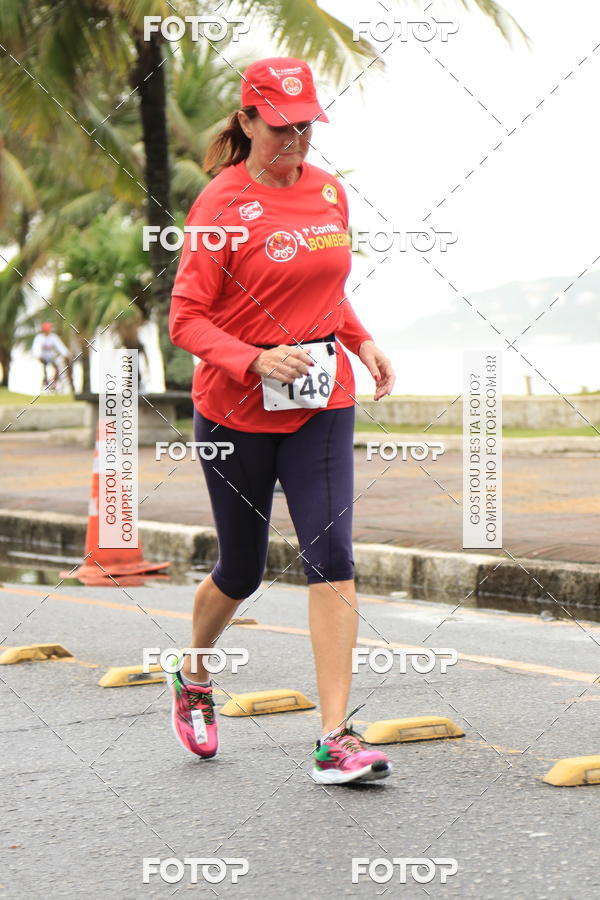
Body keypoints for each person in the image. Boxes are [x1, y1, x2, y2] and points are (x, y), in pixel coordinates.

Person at [169, 57, 396, 784]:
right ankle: (195, 675)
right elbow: (185, 319)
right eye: (280, 130)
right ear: (245, 122)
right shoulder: (219, 205)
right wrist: (251, 360)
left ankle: (335, 737)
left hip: (321, 405)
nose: (294, 142)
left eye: (305, 128)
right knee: (242, 571)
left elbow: (325, 290)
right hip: (234, 410)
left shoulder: (329, 193)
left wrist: (360, 342)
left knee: (332, 560)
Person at [32, 322, 69, 391]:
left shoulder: (53, 337)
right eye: (49, 329)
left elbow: (59, 346)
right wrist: (38, 356)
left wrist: (66, 353)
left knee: (57, 367)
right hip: (43, 357)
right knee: (44, 368)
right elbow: (36, 348)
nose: (50, 330)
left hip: (51, 357)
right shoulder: (39, 338)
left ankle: (54, 382)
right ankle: (45, 380)